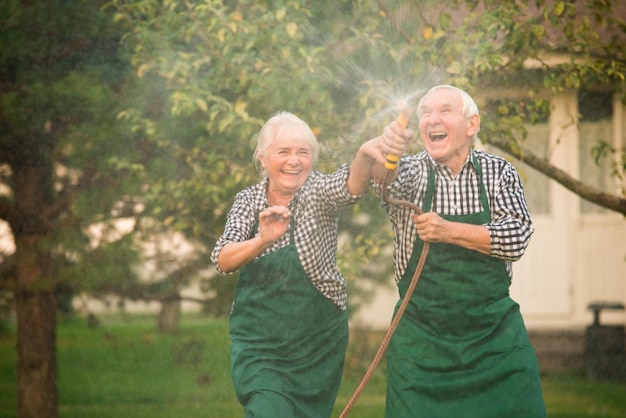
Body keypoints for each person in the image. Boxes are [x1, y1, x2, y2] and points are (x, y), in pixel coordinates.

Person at [360, 85, 546, 417]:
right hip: (421, 341)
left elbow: (516, 237)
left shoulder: (498, 173)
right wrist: (385, 154)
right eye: (425, 113)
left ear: (471, 125)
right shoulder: (414, 170)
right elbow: (384, 183)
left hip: (494, 338)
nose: (433, 118)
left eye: (445, 110)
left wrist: (449, 231)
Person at [210, 111, 405, 418]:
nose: (294, 161)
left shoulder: (318, 191)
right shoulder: (248, 201)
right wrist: (261, 240)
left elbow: (350, 187)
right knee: (268, 410)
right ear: (263, 158)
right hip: (260, 344)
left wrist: (365, 154)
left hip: (317, 342)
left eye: (303, 153)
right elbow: (223, 259)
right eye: (283, 152)